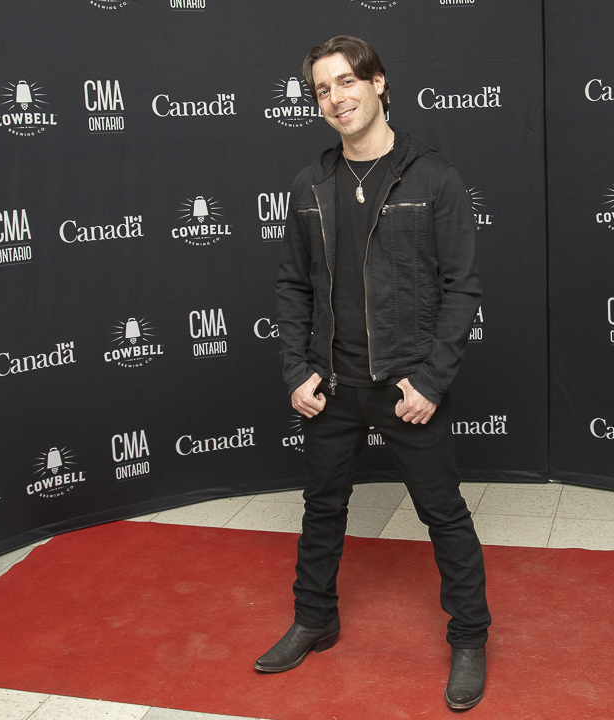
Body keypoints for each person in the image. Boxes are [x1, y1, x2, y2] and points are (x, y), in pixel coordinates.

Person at [258, 35, 491, 710]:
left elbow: (462, 288)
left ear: (379, 82)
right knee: (322, 507)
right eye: (322, 89)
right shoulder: (310, 184)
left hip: (406, 384)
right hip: (331, 382)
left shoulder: (434, 177)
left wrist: (431, 381)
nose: (336, 98)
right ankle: (314, 619)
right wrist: (296, 369)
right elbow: (293, 285)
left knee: (443, 513)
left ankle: (470, 636)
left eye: (347, 81)